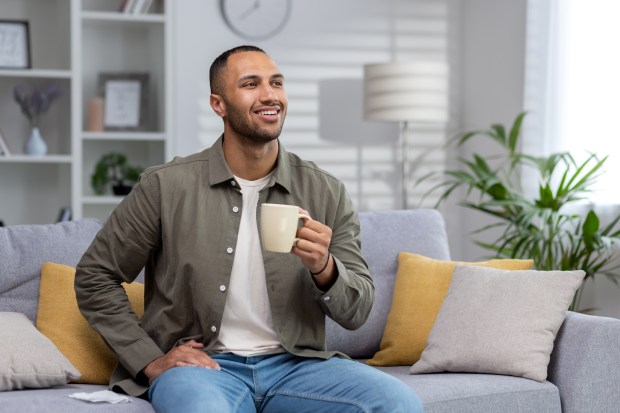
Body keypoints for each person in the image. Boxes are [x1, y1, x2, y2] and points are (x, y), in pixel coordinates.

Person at [75, 45, 424, 412]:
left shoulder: (326, 190)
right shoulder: (165, 186)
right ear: (218, 104)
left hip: (298, 366)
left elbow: (358, 311)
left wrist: (324, 267)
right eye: (251, 84)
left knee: (399, 403)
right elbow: (95, 276)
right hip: (204, 368)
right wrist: (149, 360)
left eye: (276, 83)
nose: (270, 94)